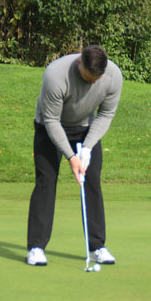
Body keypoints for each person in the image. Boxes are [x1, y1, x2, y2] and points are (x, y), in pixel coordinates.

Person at [26, 45, 123, 266]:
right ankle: (36, 247)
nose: (93, 83)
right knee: (46, 182)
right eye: (89, 78)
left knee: (92, 181)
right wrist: (71, 158)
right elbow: (51, 121)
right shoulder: (55, 75)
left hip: (85, 128)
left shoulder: (113, 76)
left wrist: (87, 148)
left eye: (97, 79)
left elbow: (106, 114)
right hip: (49, 126)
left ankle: (97, 247)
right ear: (80, 63)